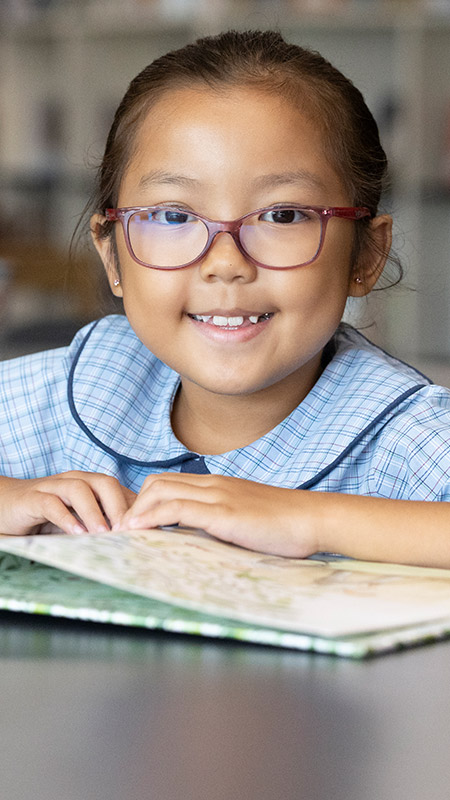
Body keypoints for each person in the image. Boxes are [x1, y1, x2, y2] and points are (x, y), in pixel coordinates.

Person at [1, 29, 450, 567]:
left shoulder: (403, 432)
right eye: (173, 215)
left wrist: (309, 518)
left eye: (283, 215)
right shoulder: (86, 383)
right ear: (112, 257)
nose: (226, 263)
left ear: (366, 255)